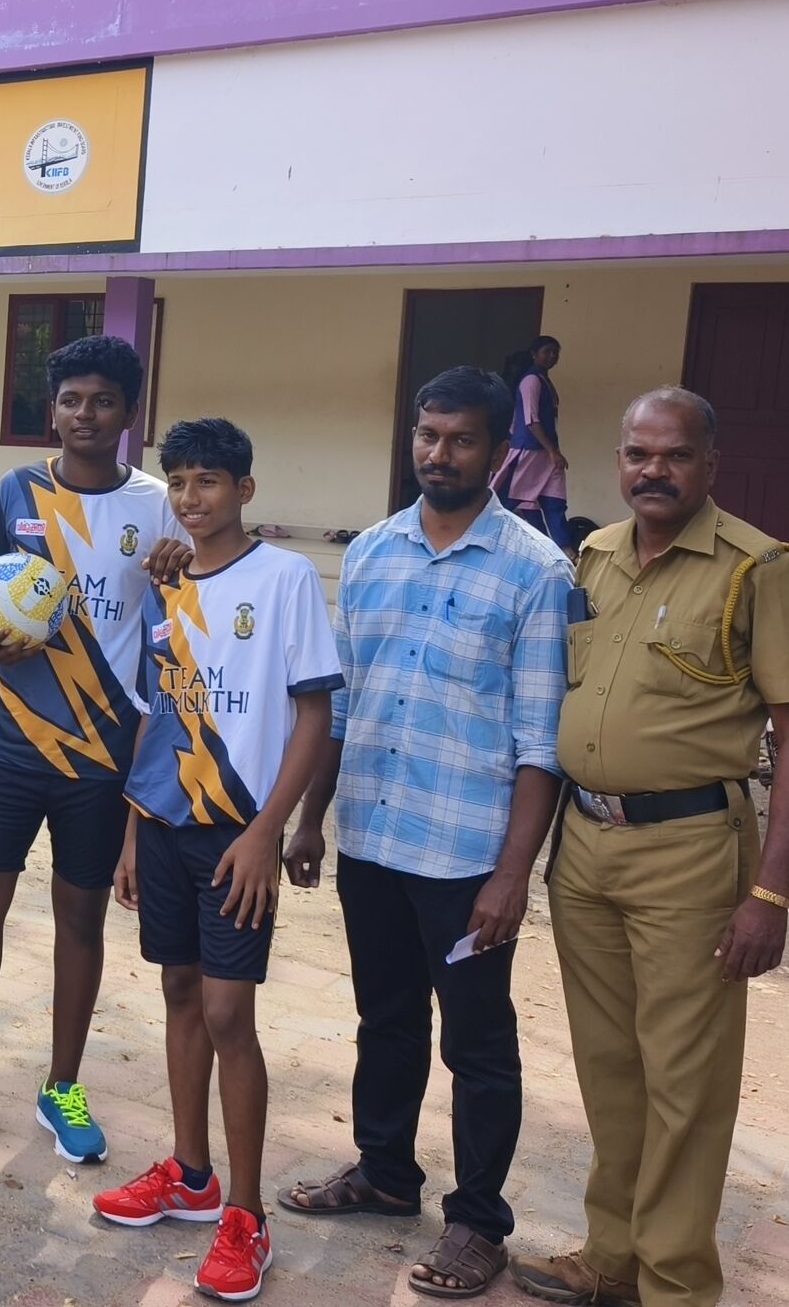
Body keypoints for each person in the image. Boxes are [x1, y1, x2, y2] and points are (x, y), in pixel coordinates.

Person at [513, 389, 789, 1307]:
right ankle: (613, 1258)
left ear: (710, 465)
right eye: (638, 453)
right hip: (585, 846)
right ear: (619, 459)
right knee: (609, 1069)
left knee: (686, 1080)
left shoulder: (759, 568)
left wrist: (769, 894)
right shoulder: (596, 556)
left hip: (689, 852)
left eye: (675, 455)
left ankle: (677, 1284)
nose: (654, 470)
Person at [281, 367, 572, 1300]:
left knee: (478, 1043)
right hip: (372, 835)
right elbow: (342, 703)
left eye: (461, 439)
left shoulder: (537, 571)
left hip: (466, 855)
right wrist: (312, 818)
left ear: (499, 450)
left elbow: (541, 742)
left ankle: (479, 1222)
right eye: (427, 435)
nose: (439, 454)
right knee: (387, 1019)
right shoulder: (372, 552)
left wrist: (512, 874)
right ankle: (385, 1173)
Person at [99, 417, 343, 1306]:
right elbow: (154, 715)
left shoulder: (284, 578)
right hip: (164, 823)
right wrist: (132, 833)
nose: (191, 496)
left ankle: (246, 1215)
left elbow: (313, 714)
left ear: (244, 489)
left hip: (237, 833)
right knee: (178, 992)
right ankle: (190, 1175)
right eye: (179, 482)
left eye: (209, 480)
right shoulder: (164, 584)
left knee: (229, 1012)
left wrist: (268, 832)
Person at [0, 333, 188, 1161]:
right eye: (72, 400)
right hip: (9, 743)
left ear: (129, 413)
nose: (86, 414)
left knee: (80, 917)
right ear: (52, 411)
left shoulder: (158, 506)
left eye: (103, 401)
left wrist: (185, 560)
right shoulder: (17, 490)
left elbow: (185, 609)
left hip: (102, 754)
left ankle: (63, 1085)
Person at [493, 336, 571, 551]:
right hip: (528, 451)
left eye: (555, 352)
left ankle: (565, 552)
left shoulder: (544, 381)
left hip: (546, 452)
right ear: (534, 354)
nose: (552, 356)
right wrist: (552, 451)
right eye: (547, 351)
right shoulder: (531, 381)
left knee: (554, 502)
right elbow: (531, 420)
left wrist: (553, 451)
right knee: (508, 500)